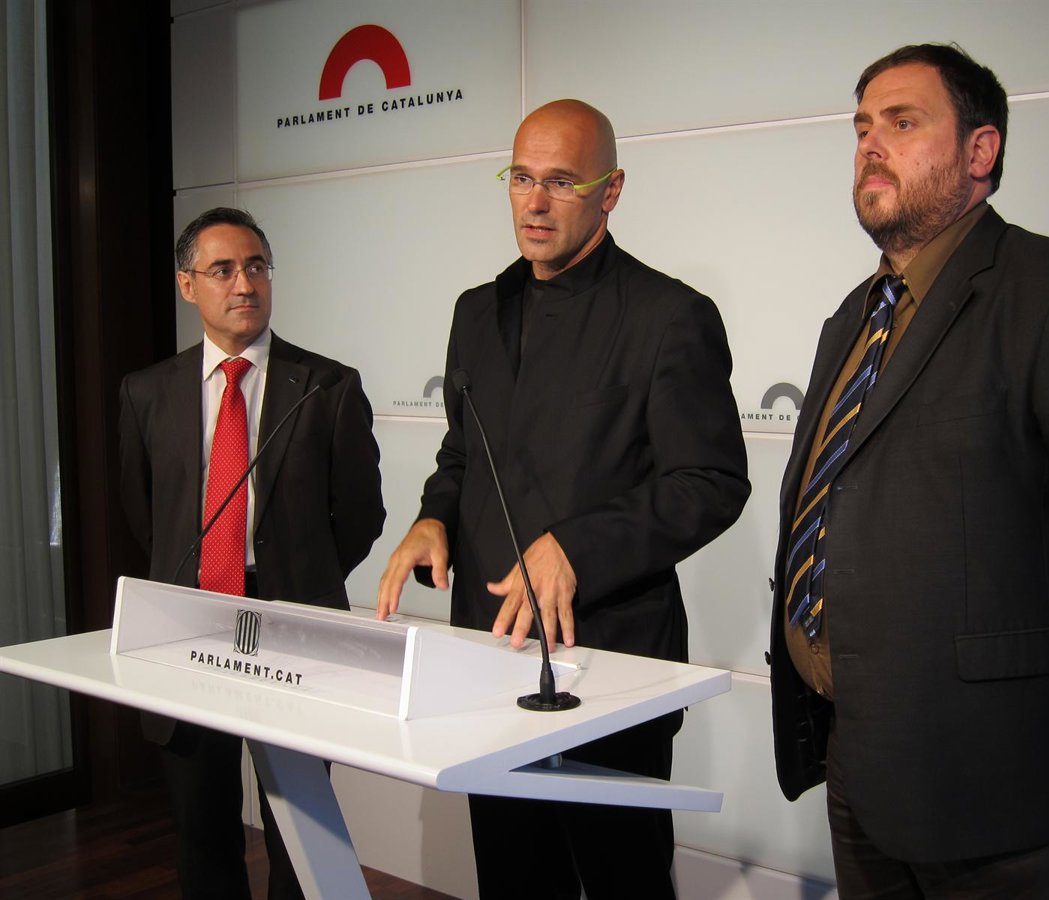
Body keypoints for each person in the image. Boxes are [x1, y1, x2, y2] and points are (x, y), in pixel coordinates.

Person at [768, 43, 1049, 898]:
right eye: (862, 127)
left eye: (903, 122)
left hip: (1002, 779)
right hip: (859, 758)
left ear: (980, 150)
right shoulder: (852, 318)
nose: (870, 145)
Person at [377, 99, 749, 898]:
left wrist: (579, 546)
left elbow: (711, 482)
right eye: (521, 179)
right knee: (513, 882)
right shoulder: (476, 311)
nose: (535, 203)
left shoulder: (669, 316)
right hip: (489, 655)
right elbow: (462, 453)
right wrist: (434, 516)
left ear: (611, 190)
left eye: (561, 182)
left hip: (611, 663)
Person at [119, 207, 385, 899]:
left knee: (298, 826)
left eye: (257, 267)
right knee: (201, 825)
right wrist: (208, 574)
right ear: (188, 285)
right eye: (223, 270)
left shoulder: (326, 385)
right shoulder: (146, 391)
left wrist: (299, 575)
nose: (245, 284)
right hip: (189, 625)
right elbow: (145, 514)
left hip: (294, 624)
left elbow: (361, 514)